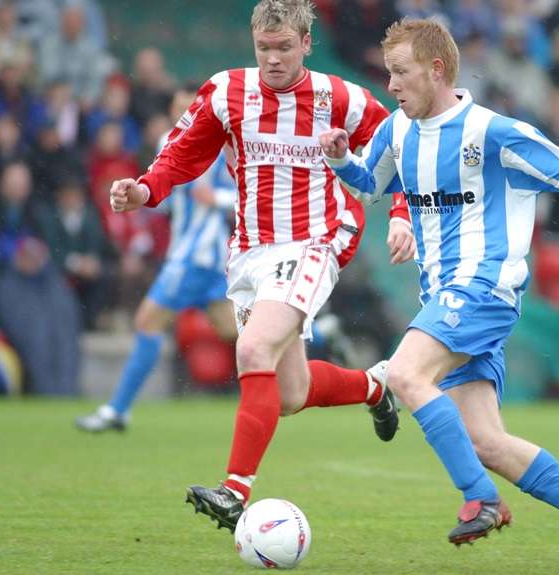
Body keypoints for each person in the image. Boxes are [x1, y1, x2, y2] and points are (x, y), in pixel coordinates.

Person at [319, 18, 559, 573]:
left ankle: (482, 500)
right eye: (388, 73)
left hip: (484, 288)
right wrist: (342, 157)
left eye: (400, 72)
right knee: (487, 443)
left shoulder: (491, 131)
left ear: (436, 69)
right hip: (445, 295)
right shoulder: (398, 130)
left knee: (403, 374)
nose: (391, 85)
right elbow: (369, 185)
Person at [106, 0, 414, 533]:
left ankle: (234, 491)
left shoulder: (340, 97)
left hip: (317, 238)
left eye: (284, 48)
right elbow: (183, 154)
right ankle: (376, 387)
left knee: (252, 349)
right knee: (289, 394)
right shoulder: (227, 91)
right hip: (250, 252)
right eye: (264, 48)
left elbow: (400, 150)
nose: (273, 59)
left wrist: (402, 216)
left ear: (306, 44)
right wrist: (144, 188)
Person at [75, 84, 239, 432]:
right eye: (180, 107)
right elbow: (165, 195)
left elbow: (244, 193)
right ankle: (312, 334)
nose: (187, 113)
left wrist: (218, 200)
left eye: (191, 106)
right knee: (237, 330)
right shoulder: (173, 140)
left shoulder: (218, 143)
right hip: (199, 256)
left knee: (147, 321)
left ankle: (117, 410)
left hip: (195, 255)